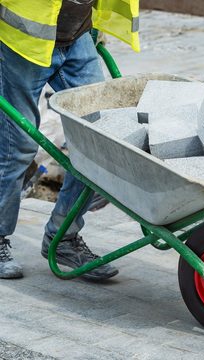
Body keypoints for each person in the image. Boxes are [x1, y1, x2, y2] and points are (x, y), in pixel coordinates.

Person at [0, 0, 140, 279]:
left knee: (100, 138)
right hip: (22, 43)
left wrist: (96, 26)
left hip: (77, 36)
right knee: (18, 147)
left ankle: (62, 236)